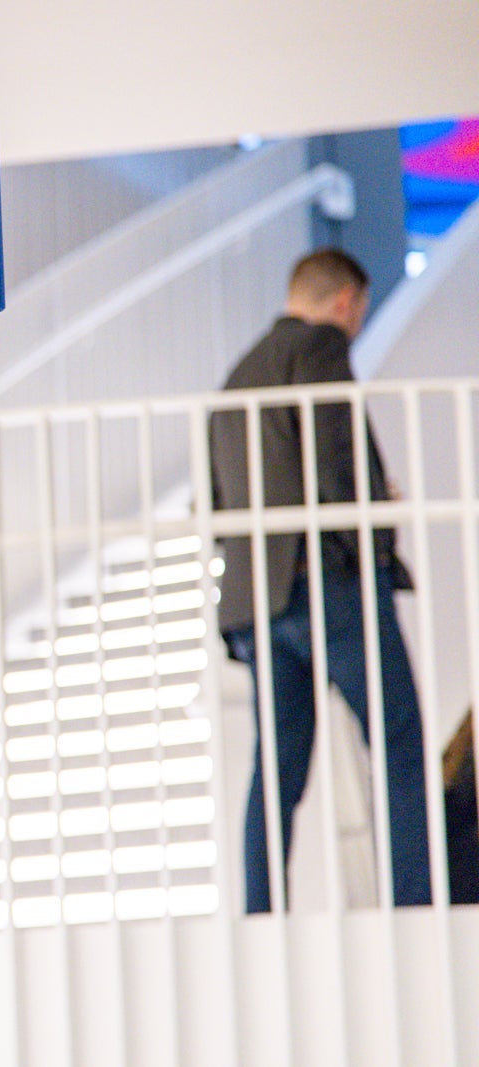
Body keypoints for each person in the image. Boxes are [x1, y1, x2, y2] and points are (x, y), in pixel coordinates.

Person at [209, 248, 431, 913]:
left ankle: (260, 915)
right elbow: (337, 454)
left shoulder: (236, 377)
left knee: (277, 769)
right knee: (398, 741)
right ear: (345, 303)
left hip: (256, 600)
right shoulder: (320, 347)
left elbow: (218, 501)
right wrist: (375, 540)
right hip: (323, 584)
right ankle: (414, 907)